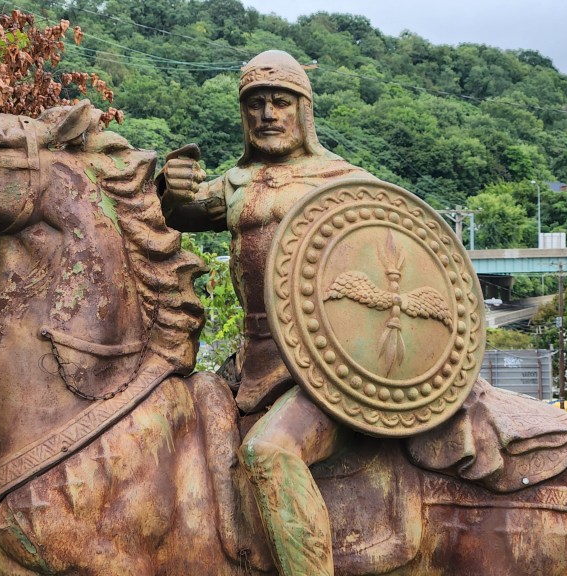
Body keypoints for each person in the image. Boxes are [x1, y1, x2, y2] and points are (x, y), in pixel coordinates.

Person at [159, 49, 376, 576]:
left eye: (281, 102)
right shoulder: (237, 182)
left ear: (303, 110)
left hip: (327, 367)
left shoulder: (345, 180)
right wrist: (171, 185)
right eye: (255, 104)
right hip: (253, 362)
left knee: (270, 452)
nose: (267, 114)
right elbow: (178, 212)